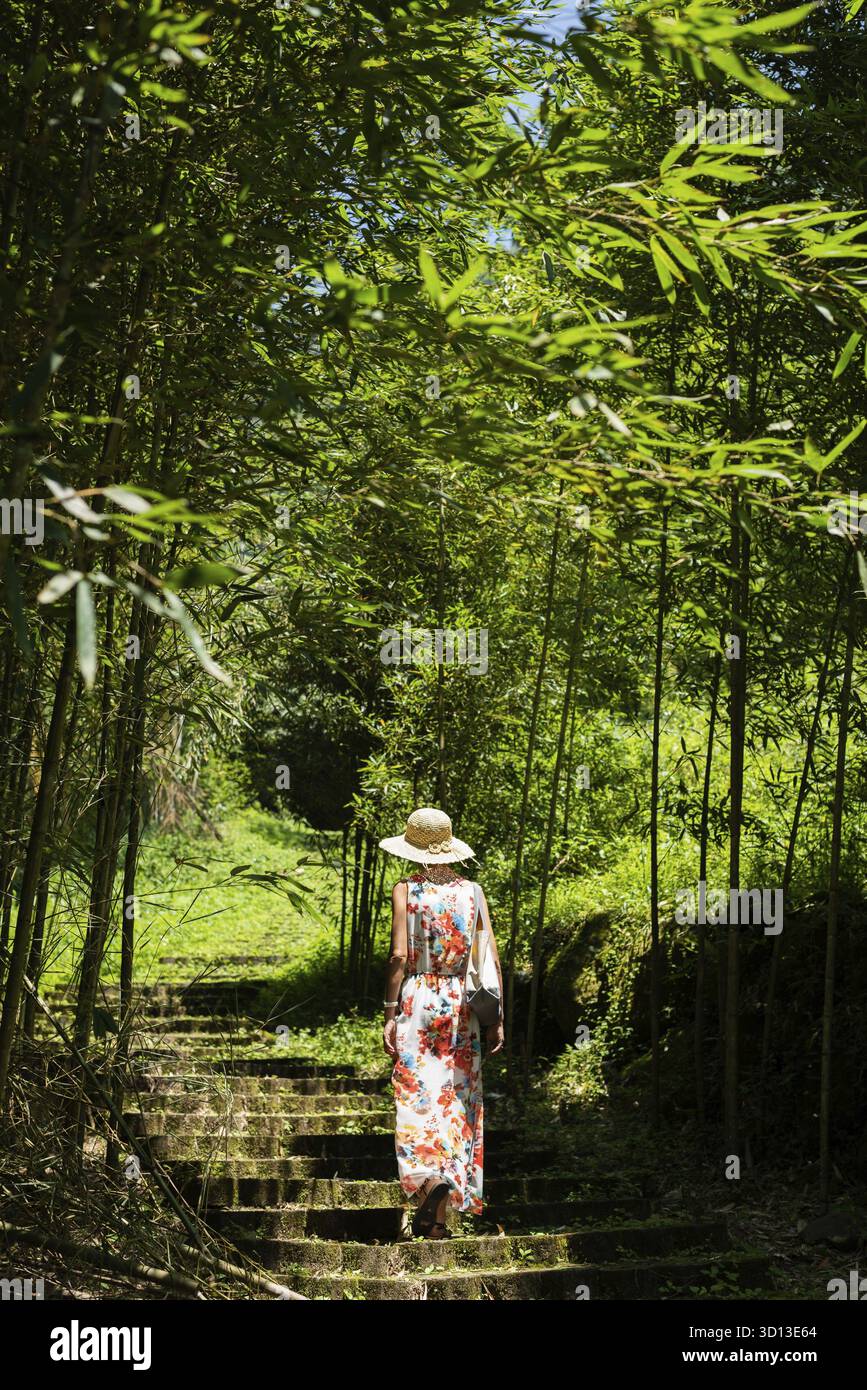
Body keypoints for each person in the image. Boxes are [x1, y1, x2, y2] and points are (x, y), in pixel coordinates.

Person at [379, 807, 504, 1239]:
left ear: (413, 848)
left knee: (418, 1098)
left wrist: (389, 1012)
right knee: (455, 1101)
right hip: (462, 1007)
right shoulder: (473, 891)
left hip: (418, 1002)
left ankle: (428, 1182)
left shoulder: (406, 890)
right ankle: (436, 1222)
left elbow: (398, 955)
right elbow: (487, 957)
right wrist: (496, 1020)